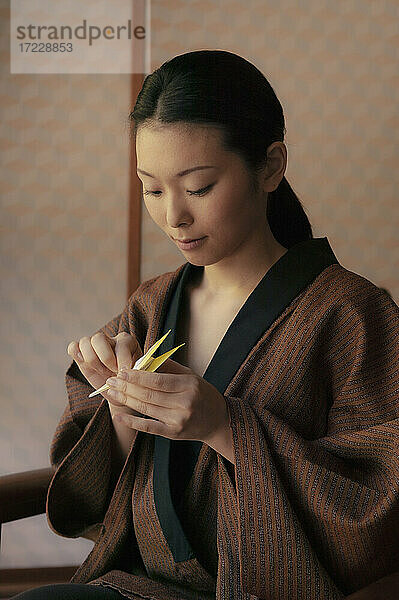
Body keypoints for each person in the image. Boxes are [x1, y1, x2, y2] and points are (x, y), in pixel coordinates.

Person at [14, 50, 399, 600]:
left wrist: (225, 426)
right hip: (138, 587)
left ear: (270, 166)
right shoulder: (151, 305)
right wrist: (121, 414)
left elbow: (379, 504)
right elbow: (86, 499)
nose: (174, 216)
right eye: (152, 189)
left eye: (198, 188)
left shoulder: (351, 314)